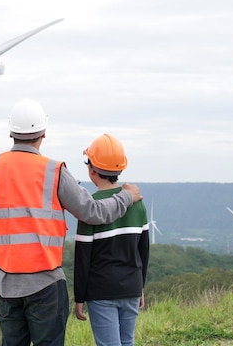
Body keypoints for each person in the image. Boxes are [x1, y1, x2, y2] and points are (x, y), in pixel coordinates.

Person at [0, 98, 143, 346]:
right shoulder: (54, 171)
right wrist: (126, 197)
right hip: (46, 284)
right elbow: (93, 212)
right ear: (43, 133)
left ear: (11, 133)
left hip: (7, 284)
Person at [74, 133, 150, 346]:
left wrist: (79, 297)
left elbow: (83, 258)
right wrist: (140, 286)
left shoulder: (89, 207)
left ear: (91, 170)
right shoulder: (138, 203)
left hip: (101, 291)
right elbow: (144, 250)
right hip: (132, 287)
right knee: (127, 342)